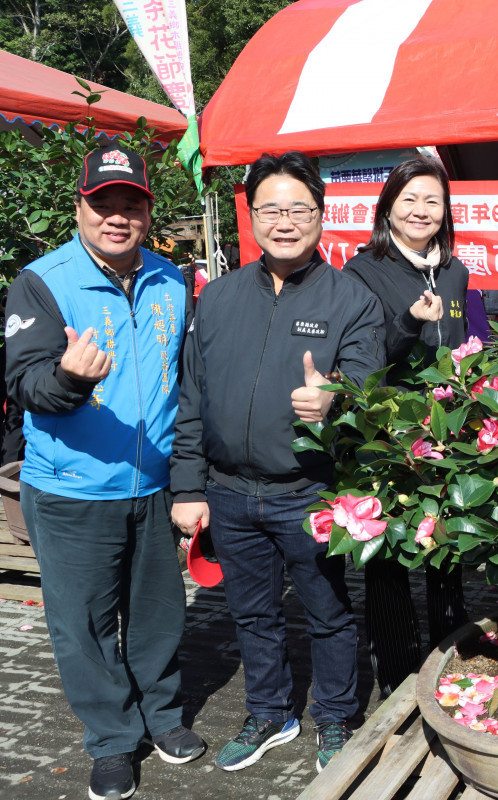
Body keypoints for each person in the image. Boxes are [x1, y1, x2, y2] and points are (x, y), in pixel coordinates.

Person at [170, 151, 384, 774]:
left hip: (308, 492)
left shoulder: (352, 299)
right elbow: (192, 399)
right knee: (252, 613)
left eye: (299, 208)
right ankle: (270, 714)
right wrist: (189, 485)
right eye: (271, 208)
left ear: (322, 216)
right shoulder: (218, 298)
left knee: (328, 613)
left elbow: (371, 397)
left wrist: (335, 400)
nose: (285, 221)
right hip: (230, 492)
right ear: (252, 214)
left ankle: (337, 719)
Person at [5, 143, 204, 800]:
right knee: (84, 626)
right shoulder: (42, 282)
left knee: (158, 614)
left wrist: (187, 476)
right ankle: (113, 740)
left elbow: (184, 380)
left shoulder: (171, 279)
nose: (117, 217)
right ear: (80, 207)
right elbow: (25, 383)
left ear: (147, 211)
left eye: (130, 205)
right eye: (104, 204)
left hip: (153, 485)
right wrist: (66, 378)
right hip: (72, 491)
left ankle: (164, 718)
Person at [342, 156, 470, 697]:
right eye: (409, 199)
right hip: (389, 439)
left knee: (448, 550)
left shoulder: (456, 271)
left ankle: (454, 660)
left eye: (432, 201)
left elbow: (466, 343)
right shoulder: (362, 271)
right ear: (388, 205)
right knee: (389, 558)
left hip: (449, 433)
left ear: (445, 212)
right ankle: (395, 678)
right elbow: (367, 362)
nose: (421, 210)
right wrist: (411, 323)